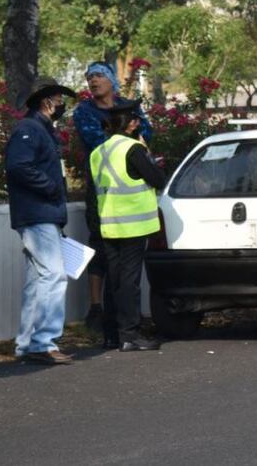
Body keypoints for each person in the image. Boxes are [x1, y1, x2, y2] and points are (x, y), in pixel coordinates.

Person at [73, 61, 152, 348]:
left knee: (123, 269)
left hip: (132, 207)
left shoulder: (127, 104)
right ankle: (102, 314)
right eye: (89, 77)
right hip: (102, 193)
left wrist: (133, 136)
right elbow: (98, 140)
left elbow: (147, 131)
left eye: (98, 76)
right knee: (104, 252)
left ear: (110, 81)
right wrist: (131, 139)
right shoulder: (84, 111)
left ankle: (119, 328)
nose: (93, 81)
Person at [5, 77, 77, 365]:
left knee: (37, 280)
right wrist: (50, 187)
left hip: (41, 213)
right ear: (46, 101)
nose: (62, 104)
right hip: (37, 213)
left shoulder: (40, 130)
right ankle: (43, 342)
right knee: (54, 275)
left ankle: (27, 344)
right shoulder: (29, 129)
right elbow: (18, 165)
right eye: (59, 99)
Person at [89, 100, 166, 352]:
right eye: (137, 120)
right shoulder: (133, 149)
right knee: (130, 282)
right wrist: (148, 154)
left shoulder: (97, 152)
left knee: (115, 280)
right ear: (132, 124)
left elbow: (93, 192)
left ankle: (111, 334)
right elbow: (157, 179)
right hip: (133, 226)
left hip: (108, 225)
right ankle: (130, 334)